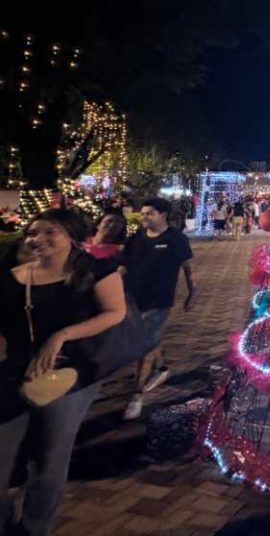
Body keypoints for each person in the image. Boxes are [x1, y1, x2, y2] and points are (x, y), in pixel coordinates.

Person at [0, 209, 126, 536]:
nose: (37, 239)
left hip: (69, 376)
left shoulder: (95, 270)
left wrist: (62, 335)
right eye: (32, 232)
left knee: (47, 460)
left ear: (71, 235)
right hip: (12, 374)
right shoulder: (12, 275)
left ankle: (33, 529)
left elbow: (115, 312)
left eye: (49, 232)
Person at [121, 198, 196, 420]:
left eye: (149, 214)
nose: (144, 217)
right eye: (142, 213)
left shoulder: (176, 239)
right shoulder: (136, 238)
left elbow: (188, 269)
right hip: (133, 299)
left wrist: (193, 293)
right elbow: (123, 266)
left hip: (159, 300)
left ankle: (136, 394)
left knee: (144, 344)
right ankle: (161, 368)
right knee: (148, 338)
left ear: (162, 215)